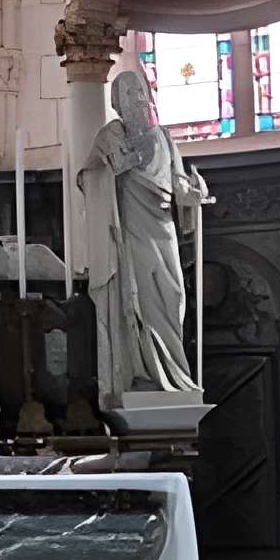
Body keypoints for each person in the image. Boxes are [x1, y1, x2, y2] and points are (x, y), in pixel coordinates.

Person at [82, 66, 208, 397]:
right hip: (132, 234)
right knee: (141, 301)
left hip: (163, 229)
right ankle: (144, 373)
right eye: (128, 94)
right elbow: (89, 176)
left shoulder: (164, 138)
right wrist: (113, 171)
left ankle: (177, 376)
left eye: (140, 92)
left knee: (172, 296)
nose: (136, 99)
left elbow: (178, 183)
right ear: (117, 103)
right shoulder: (110, 137)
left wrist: (192, 193)